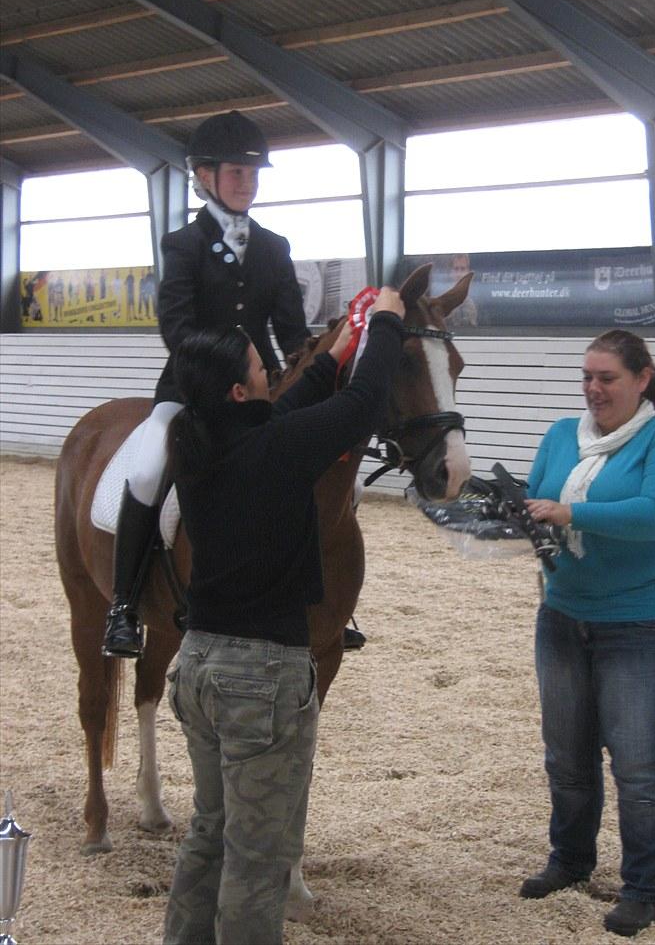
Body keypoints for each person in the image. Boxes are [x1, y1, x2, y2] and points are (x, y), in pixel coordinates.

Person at [162, 286, 406, 945]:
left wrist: (338, 347)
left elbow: (291, 404)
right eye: (259, 367)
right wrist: (385, 325)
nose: (271, 371)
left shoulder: (202, 440)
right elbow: (361, 407)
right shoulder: (279, 449)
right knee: (258, 858)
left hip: (198, 668)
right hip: (259, 677)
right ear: (241, 393)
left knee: (209, 834)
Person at [102, 110, 310, 658]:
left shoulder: (274, 246)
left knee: (323, 473)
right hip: (191, 388)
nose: (247, 182)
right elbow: (175, 325)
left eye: (253, 173)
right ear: (204, 176)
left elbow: (290, 329)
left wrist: (308, 365)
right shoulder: (183, 245)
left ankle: (324, 599)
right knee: (148, 469)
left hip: (262, 390)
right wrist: (224, 371)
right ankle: (122, 607)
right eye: (236, 172)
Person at [519, 329, 655, 938]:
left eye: (608, 378)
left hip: (645, 623)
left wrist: (569, 513)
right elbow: (534, 498)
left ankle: (645, 887)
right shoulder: (558, 435)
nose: (593, 389)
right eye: (587, 377)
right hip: (564, 615)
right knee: (566, 757)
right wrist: (498, 511)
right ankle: (570, 860)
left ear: (642, 379)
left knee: (639, 766)